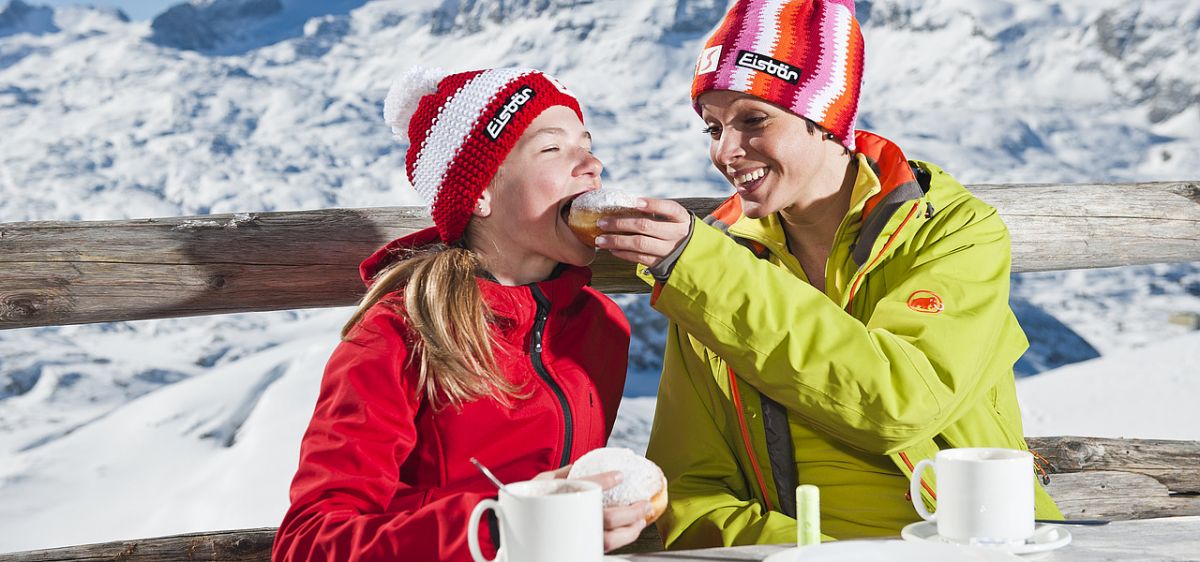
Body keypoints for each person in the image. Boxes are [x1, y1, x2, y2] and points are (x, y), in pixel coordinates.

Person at [594, 0, 1064, 548]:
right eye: (712, 128)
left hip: (981, 545)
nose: (726, 152)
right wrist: (803, 549)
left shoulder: (955, 231)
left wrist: (701, 268)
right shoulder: (709, 263)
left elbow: (900, 401)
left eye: (753, 119)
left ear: (826, 119)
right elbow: (694, 486)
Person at [272, 67, 649, 562]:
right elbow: (308, 544)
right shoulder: (398, 334)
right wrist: (500, 526)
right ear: (479, 195)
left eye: (587, 142)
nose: (592, 164)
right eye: (552, 149)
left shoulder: (598, 325)